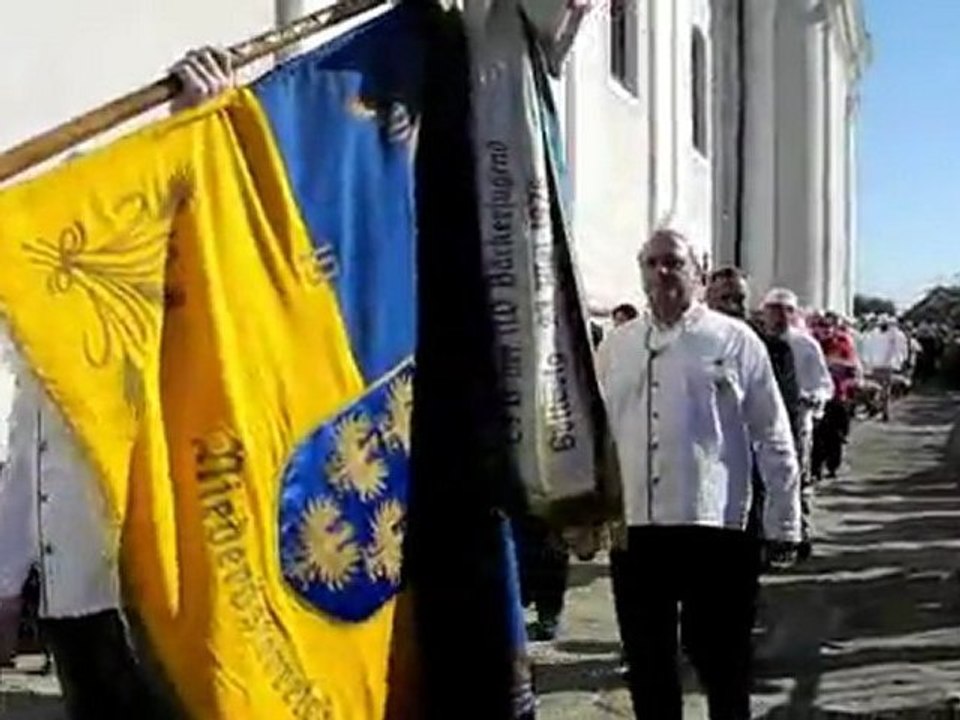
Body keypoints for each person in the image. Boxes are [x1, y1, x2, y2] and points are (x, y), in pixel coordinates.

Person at [597, 229, 800, 720]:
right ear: (641, 271)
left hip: (715, 526)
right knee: (648, 665)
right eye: (653, 263)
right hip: (637, 528)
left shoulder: (734, 340)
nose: (663, 273)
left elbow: (772, 433)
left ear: (698, 274)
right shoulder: (617, 346)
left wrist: (784, 521)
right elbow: (598, 435)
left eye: (674, 263)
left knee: (722, 663)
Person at [0, 346, 160, 718]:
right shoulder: (37, 332)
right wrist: (7, 581)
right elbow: (26, 459)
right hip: (71, 593)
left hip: (143, 589)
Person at [706, 268, 802, 551]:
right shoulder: (683, 346)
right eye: (724, 298)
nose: (732, 306)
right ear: (708, 298)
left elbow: (783, 414)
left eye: (739, 298)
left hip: (749, 469)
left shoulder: (771, 348)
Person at [761, 289, 832, 559]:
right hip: (763, 420)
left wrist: (811, 398)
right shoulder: (756, 343)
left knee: (797, 476)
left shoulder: (805, 345)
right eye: (773, 309)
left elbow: (824, 384)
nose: (779, 316)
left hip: (797, 419)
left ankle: (798, 532)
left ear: (793, 314)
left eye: (785, 310)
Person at [861, 314, 907, 421]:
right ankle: (876, 408)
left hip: (887, 366)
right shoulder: (874, 335)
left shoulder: (895, 336)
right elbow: (868, 349)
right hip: (876, 365)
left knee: (885, 390)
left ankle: (885, 412)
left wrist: (897, 363)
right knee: (875, 389)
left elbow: (900, 350)